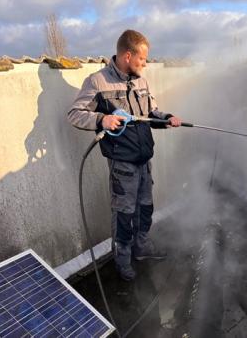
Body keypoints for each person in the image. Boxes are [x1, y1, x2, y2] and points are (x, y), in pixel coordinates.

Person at [67, 30, 181, 281]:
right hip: (123, 167)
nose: (146, 64)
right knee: (124, 215)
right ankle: (122, 259)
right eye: (143, 59)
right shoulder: (98, 82)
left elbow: (152, 112)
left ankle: (142, 248)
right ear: (128, 56)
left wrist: (168, 119)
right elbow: (74, 114)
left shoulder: (140, 80)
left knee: (145, 208)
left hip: (144, 162)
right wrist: (102, 119)